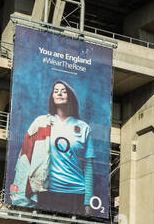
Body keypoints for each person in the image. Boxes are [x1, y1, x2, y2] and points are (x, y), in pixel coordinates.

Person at [10, 79, 97, 215]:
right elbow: (25, 158)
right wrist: (19, 196)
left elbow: (89, 167)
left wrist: (87, 202)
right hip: (47, 191)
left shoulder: (83, 127)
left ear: (70, 96)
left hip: (75, 194)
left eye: (63, 91)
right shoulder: (41, 123)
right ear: (52, 96)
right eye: (56, 91)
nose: (59, 93)